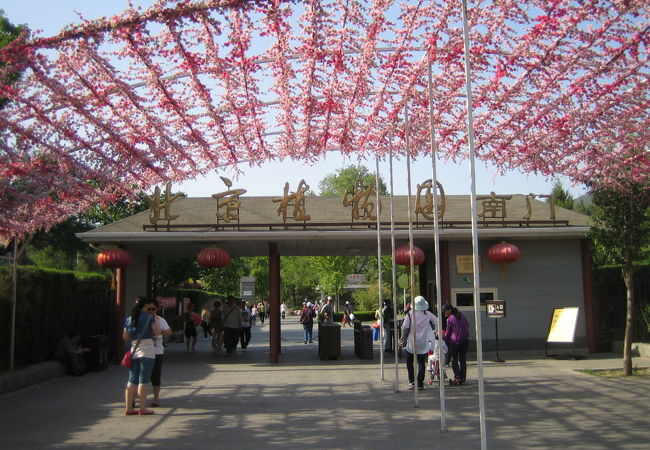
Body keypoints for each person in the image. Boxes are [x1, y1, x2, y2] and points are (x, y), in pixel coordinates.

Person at [123, 298, 161, 416]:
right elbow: (158, 332)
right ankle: (143, 408)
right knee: (143, 380)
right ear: (145, 306)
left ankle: (129, 407)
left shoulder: (129, 319)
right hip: (148, 351)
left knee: (132, 380)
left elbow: (125, 337)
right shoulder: (149, 318)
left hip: (134, 351)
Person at [401, 296, 438, 390]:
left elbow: (405, 326)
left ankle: (412, 382)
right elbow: (438, 321)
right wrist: (435, 331)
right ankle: (420, 383)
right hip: (423, 341)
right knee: (421, 362)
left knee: (409, 361)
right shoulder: (428, 314)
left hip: (411, 341)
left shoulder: (410, 314)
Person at [149, 298, 172, 407]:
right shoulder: (139, 319)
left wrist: (160, 331)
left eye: (153, 309)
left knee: (155, 376)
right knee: (139, 377)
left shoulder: (160, 320)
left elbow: (169, 331)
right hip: (141, 351)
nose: (150, 311)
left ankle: (155, 398)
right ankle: (135, 398)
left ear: (157, 309)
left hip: (157, 350)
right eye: (148, 309)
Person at [442, 303, 470, 385]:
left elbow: (448, 332)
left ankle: (457, 378)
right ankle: (463, 378)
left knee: (454, 360)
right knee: (463, 360)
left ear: (449, 310)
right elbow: (467, 325)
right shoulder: (461, 316)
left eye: (445, 311)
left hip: (455, 341)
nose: (444, 313)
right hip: (466, 340)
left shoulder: (450, 318)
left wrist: (445, 342)